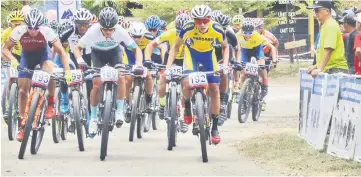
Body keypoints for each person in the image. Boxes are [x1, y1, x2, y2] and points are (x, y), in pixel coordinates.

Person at [1, 8, 71, 142]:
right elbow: (5, 48)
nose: (33, 31)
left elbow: (61, 51)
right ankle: (22, 125)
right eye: (30, 28)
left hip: (42, 55)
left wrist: (67, 71)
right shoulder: (19, 30)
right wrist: (13, 60)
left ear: (41, 25)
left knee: (49, 68)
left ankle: (50, 102)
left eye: (36, 28)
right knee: (22, 91)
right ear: (25, 25)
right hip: (26, 57)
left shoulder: (46, 31)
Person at [73, 7, 143, 137]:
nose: (108, 32)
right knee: (97, 84)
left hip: (114, 53)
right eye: (105, 29)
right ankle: (93, 118)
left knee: (121, 77)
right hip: (97, 54)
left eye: (111, 29)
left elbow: (136, 49)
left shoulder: (121, 31)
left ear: (115, 26)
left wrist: (139, 65)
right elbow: (77, 48)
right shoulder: (93, 30)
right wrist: (80, 60)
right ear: (100, 26)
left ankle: (119, 111)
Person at [168, 5, 229, 144]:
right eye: (198, 21)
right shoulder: (188, 27)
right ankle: (188, 107)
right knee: (187, 83)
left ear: (210, 19)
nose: (202, 24)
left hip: (209, 56)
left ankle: (214, 128)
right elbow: (175, 47)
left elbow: (225, 47)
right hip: (192, 56)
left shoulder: (217, 28)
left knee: (214, 88)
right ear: (193, 20)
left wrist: (225, 65)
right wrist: (168, 67)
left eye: (205, 21)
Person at [145, 13, 191, 133]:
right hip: (171, 57)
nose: (181, 33)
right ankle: (161, 104)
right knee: (163, 78)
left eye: (184, 31)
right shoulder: (170, 33)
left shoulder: (193, 34)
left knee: (186, 84)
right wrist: (148, 59)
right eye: (178, 30)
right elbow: (151, 45)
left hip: (186, 59)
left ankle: (182, 115)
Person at [120, 21, 158, 123]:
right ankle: (128, 103)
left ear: (143, 34)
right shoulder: (124, 35)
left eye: (139, 36)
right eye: (134, 36)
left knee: (149, 76)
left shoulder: (149, 37)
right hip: (129, 59)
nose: (136, 39)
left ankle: (149, 98)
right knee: (127, 79)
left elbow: (160, 47)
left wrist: (161, 61)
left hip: (144, 59)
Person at [307, 1, 349, 76]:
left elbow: (328, 49)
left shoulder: (330, 25)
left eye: (317, 10)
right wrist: (316, 66)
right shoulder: (326, 25)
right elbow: (322, 51)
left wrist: (320, 68)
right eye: (314, 11)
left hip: (335, 69)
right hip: (331, 69)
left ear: (327, 11)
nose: (315, 13)